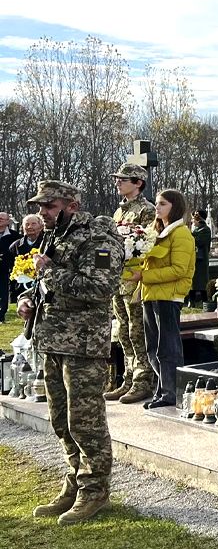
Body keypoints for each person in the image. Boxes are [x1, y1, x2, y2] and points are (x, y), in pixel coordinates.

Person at [18, 180, 123, 525]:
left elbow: (100, 287)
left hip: (82, 345)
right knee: (61, 420)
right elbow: (47, 282)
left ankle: (95, 491)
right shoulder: (56, 235)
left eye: (48, 206)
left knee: (85, 421)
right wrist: (29, 299)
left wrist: (51, 271)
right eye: (40, 207)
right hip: (52, 341)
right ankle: (75, 482)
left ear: (71, 205)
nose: (42, 213)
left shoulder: (98, 236)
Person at [131, 189, 195, 410]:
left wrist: (144, 276)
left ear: (174, 207)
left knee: (167, 348)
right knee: (153, 348)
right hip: (151, 294)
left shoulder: (181, 234)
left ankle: (171, 392)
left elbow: (179, 269)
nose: (157, 208)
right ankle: (162, 389)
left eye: (163, 204)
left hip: (168, 296)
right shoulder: (157, 232)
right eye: (157, 203)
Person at [107, 162, 157, 404]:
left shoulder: (147, 210)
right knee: (123, 331)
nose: (118, 182)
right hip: (119, 278)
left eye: (123, 179)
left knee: (137, 332)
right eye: (117, 179)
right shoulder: (119, 212)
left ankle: (143, 380)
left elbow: (148, 245)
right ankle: (127, 378)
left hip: (136, 279)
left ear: (138, 183)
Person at [189, 210, 211, 307]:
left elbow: (199, 241)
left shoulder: (206, 230)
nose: (192, 221)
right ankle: (192, 301)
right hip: (194, 259)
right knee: (193, 281)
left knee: (202, 281)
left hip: (201, 260)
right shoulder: (196, 230)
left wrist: (190, 236)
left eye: (194, 219)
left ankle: (204, 300)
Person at [0, 211, 18, 319]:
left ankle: (1, 313)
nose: (0, 220)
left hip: (6, 268)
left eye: (2, 218)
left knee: (4, 290)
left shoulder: (15, 236)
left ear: (8, 221)